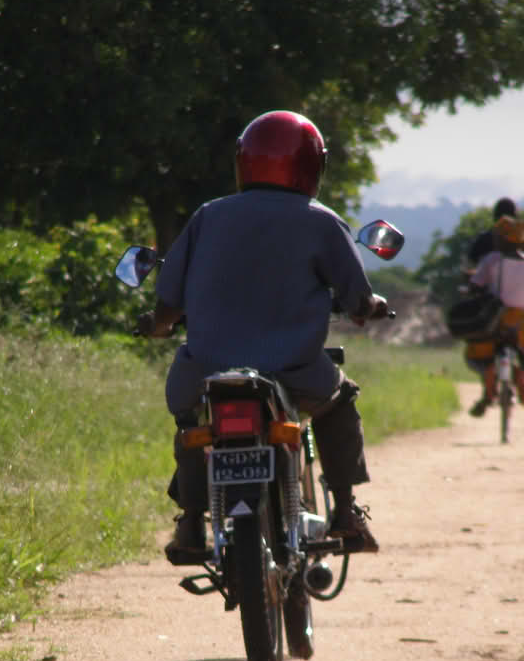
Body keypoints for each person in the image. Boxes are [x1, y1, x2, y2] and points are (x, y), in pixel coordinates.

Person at [134, 109, 389, 561]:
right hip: (294, 371)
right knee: (340, 403)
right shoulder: (322, 221)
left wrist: (155, 326)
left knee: (193, 423)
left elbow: (168, 304)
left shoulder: (208, 216)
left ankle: (191, 523)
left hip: (206, 369)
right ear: (314, 165)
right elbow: (357, 300)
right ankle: (347, 513)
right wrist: (371, 307)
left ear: (244, 161)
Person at [464, 213, 524, 416]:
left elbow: (475, 285)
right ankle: (522, 374)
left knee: (474, 357)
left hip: (492, 321)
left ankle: (489, 376)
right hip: (519, 321)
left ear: (500, 240)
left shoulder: (491, 260)